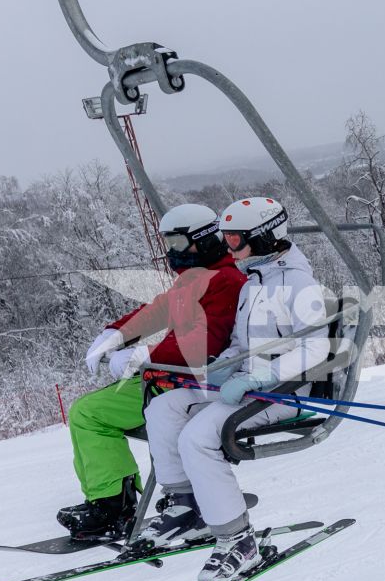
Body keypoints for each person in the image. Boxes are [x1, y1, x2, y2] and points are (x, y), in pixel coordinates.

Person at [140, 195, 332, 581]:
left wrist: (261, 376)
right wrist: (221, 368)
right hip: (248, 383)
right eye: (226, 239)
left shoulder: (299, 284)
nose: (228, 249)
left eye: (235, 240)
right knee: (164, 407)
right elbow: (243, 343)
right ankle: (186, 505)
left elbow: (314, 350)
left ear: (264, 237)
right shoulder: (254, 280)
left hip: (286, 391)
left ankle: (238, 541)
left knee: (199, 436)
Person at [55, 203, 246, 540]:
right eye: (168, 244)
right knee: (85, 411)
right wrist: (116, 333)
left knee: (90, 414)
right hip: (166, 376)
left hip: (188, 383)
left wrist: (140, 357)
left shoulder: (226, 281)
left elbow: (204, 344)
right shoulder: (196, 279)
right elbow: (158, 310)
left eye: (176, 243)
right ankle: (111, 499)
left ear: (201, 240)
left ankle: (114, 506)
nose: (172, 253)